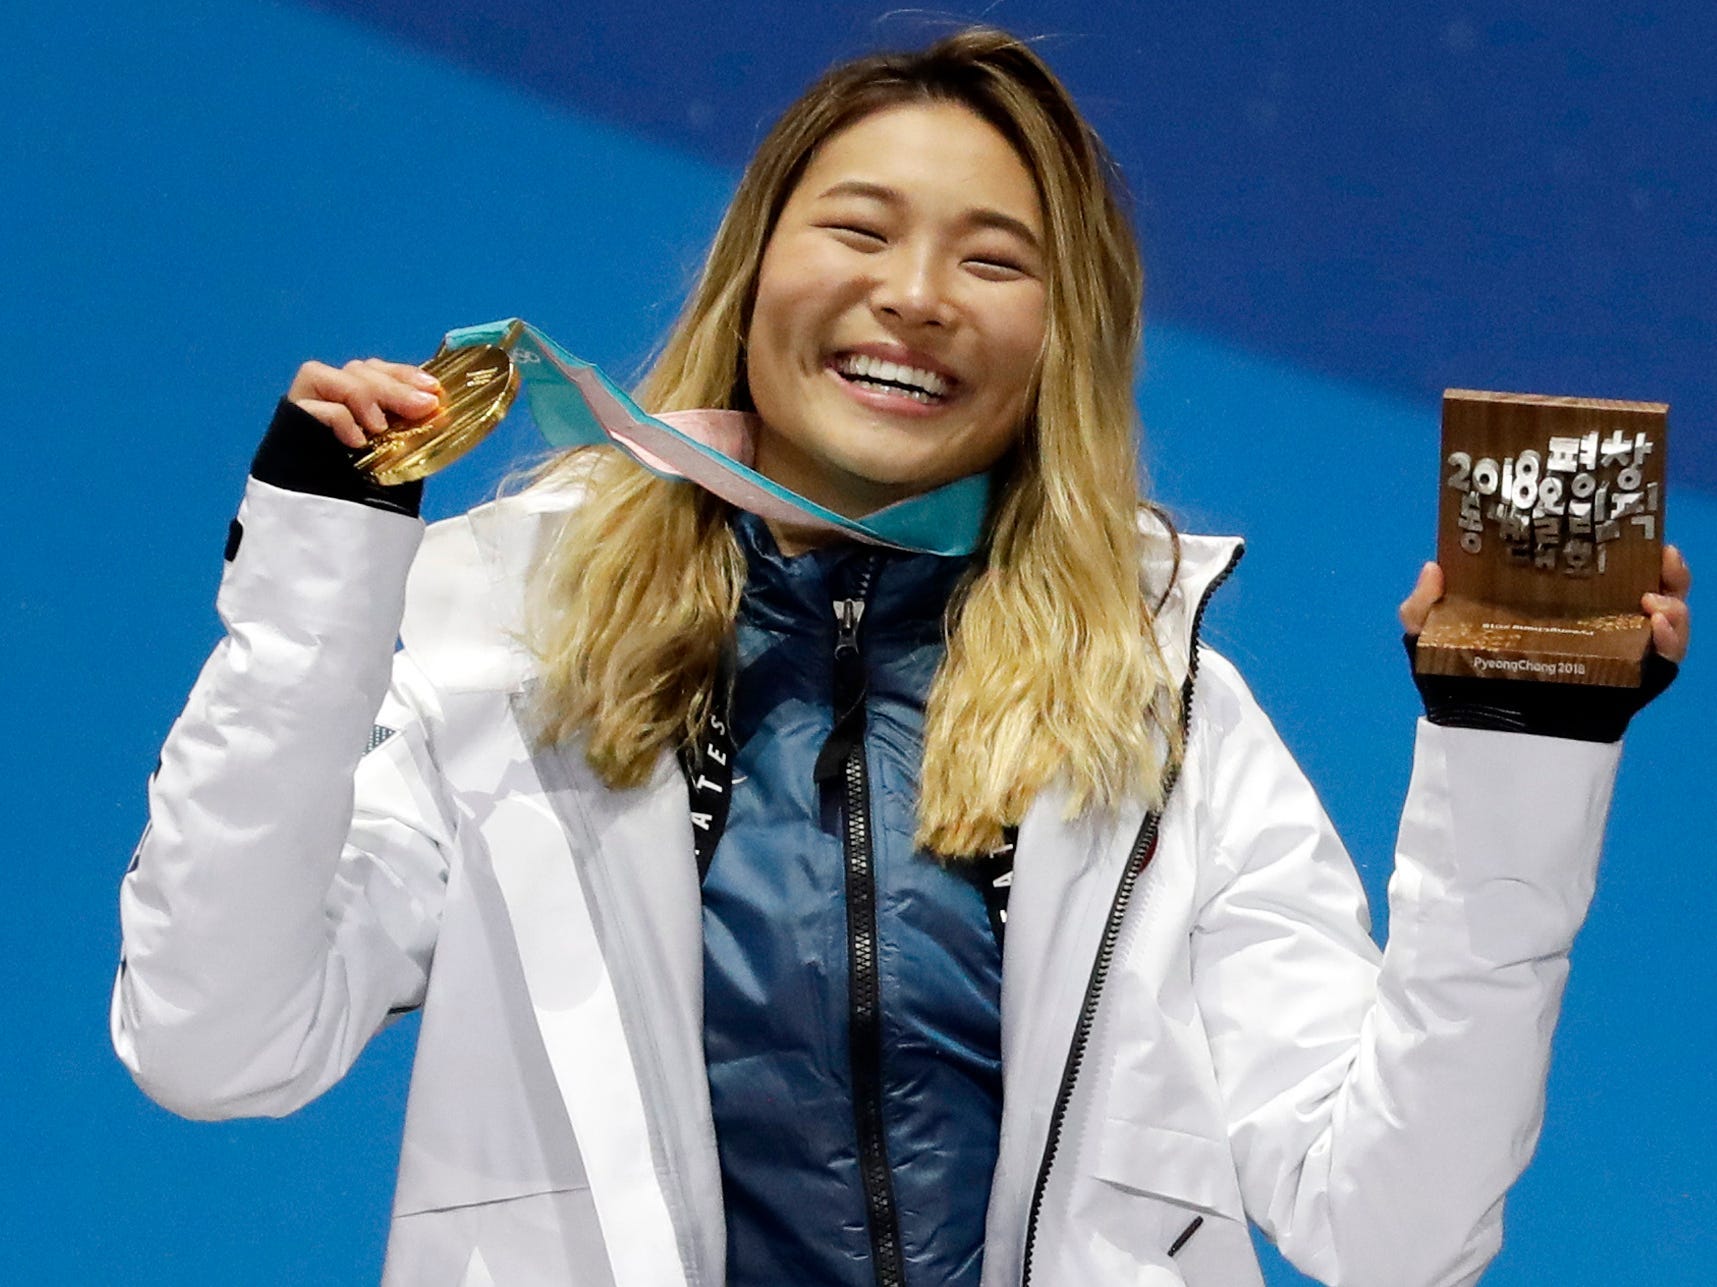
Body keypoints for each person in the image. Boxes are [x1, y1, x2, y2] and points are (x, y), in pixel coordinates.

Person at [111, 26, 1692, 1287]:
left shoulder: (1156, 709)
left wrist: (1513, 750)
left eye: (994, 262)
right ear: (753, 280)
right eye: (859, 229)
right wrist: (317, 571)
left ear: (1057, 338)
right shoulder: (522, 662)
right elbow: (216, 1041)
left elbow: (1393, 1231)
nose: (916, 296)